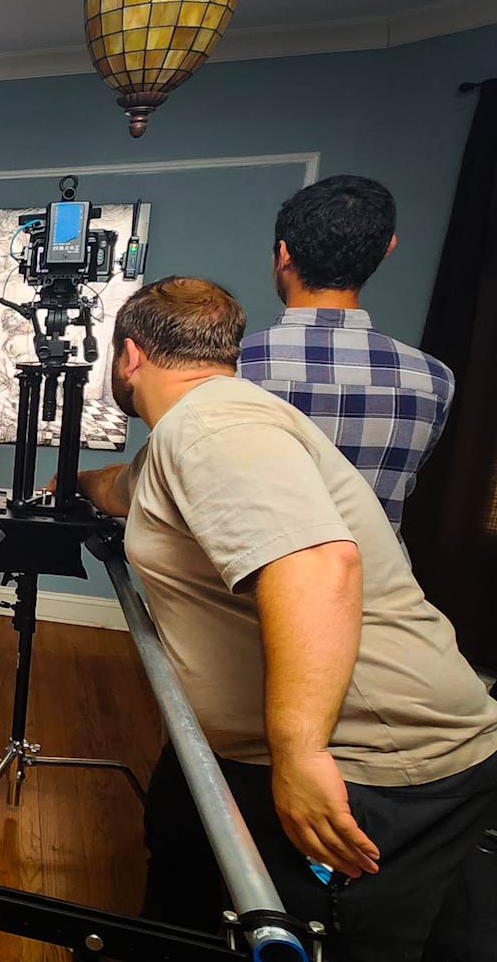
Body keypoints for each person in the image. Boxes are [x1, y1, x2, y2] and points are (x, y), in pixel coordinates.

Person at [71, 276, 497, 961]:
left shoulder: (213, 426)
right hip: (252, 743)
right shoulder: (184, 434)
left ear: (129, 356)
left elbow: (318, 562)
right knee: (178, 828)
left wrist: (302, 750)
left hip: (373, 763)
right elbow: (120, 486)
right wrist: (69, 483)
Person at [238, 175, 455, 532]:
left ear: (284, 253)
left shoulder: (229, 366)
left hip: (252, 585)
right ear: (387, 249)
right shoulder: (433, 380)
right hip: (374, 584)